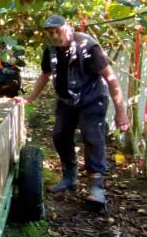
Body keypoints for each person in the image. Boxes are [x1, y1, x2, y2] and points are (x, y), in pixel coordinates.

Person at [15, 15, 129, 204]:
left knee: (92, 137)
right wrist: (29, 98)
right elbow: (45, 75)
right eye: (50, 33)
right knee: (60, 136)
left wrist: (121, 111)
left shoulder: (88, 47)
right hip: (66, 99)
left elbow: (111, 78)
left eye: (57, 31)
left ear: (68, 27)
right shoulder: (50, 50)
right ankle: (69, 177)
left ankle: (96, 187)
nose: (54, 36)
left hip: (92, 100)